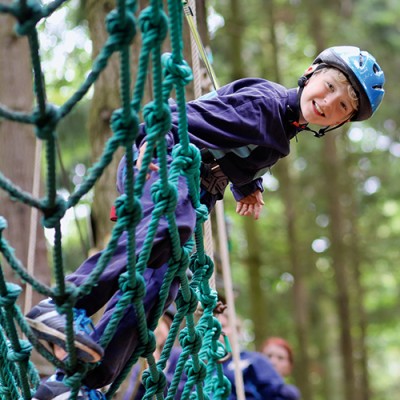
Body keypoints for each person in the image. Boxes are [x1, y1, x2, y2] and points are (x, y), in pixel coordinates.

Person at [27, 46, 385, 399]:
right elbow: (176, 118)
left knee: (157, 289)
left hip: (189, 186)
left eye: (342, 107)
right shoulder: (264, 105)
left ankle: (80, 382)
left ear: (340, 122)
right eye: (330, 86)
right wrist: (150, 146)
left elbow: (235, 146)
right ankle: (65, 304)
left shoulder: (282, 126)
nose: (329, 102)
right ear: (311, 72)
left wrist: (249, 185)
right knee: (173, 224)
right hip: (163, 160)